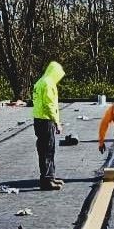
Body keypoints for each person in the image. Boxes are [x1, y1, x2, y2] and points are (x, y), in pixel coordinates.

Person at [32, 60, 65, 190]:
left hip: (39, 119)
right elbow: (49, 105)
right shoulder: (48, 83)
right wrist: (57, 122)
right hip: (45, 120)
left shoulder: (41, 81)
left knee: (46, 150)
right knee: (47, 150)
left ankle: (50, 176)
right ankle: (47, 180)